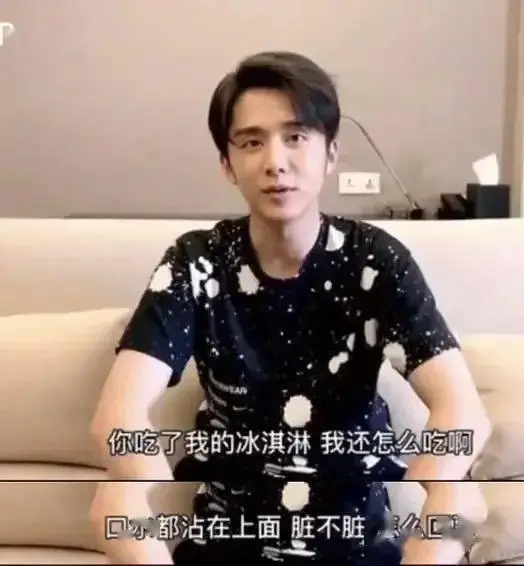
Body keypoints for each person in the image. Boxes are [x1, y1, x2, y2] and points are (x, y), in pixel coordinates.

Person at [90, 51, 491, 565]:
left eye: (296, 137)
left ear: (330, 153)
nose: (275, 161)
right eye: (251, 142)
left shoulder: (376, 260)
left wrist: (441, 474)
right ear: (227, 164)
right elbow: (117, 413)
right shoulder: (197, 262)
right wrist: (135, 474)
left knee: (461, 498)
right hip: (226, 551)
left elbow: (461, 408)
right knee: (114, 502)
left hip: (352, 549)